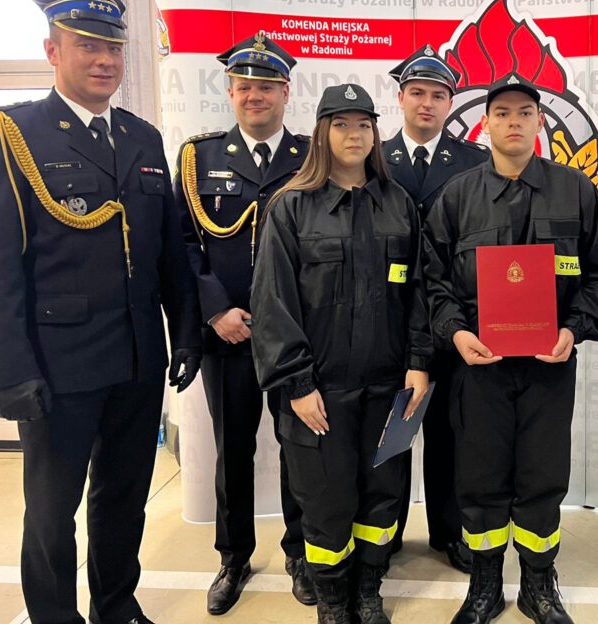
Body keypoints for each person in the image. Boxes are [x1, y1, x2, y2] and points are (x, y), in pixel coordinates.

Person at [0, 0, 202, 624]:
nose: (103, 60)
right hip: (57, 366)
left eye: (113, 49)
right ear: (52, 50)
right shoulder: (11, 133)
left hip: (137, 358)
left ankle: (115, 606)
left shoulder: (142, 138)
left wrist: (185, 331)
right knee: (51, 511)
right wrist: (9, 373)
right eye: (87, 46)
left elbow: (168, 253)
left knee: (123, 497)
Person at [422, 76, 598, 624]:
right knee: (480, 478)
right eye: (503, 113)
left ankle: (539, 584)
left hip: (547, 368)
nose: (514, 121)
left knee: (541, 476)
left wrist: (574, 330)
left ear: (540, 122)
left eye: (525, 113)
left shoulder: (574, 191)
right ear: (484, 123)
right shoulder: (457, 196)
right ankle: (484, 586)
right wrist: (456, 332)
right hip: (478, 370)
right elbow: (433, 281)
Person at [251, 84, 432, 624]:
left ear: (375, 134)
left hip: (389, 388)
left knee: (382, 496)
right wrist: (297, 384)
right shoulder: (291, 207)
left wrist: (419, 363)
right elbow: (272, 302)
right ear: (321, 134)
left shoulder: (398, 204)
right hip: (321, 391)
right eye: (341, 124)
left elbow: (420, 292)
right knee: (326, 503)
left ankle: (368, 591)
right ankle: (332, 602)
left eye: (363, 124)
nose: (354, 135)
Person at [174, 33, 314, 614]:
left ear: (286, 92)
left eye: (266, 86)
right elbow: (185, 243)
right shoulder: (199, 158)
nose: (254, 96)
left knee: (300, 446)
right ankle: (233, 557)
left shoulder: (312, 156)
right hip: (227, 335)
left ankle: (301, 552)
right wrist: (214, 310)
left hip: (295, 336)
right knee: (232, 450)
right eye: (244, 87)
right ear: (230, 92)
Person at [382, 45, 489, 572]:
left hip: (451, 315)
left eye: (438, 95)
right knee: (390, 432)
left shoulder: (475, 162)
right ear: (401, 98)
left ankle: (450, 532)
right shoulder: (373, 157)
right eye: (417, 93)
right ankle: (384, 532)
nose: (427, 103)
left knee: (451, 433)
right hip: (386, 316)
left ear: (451, 103)